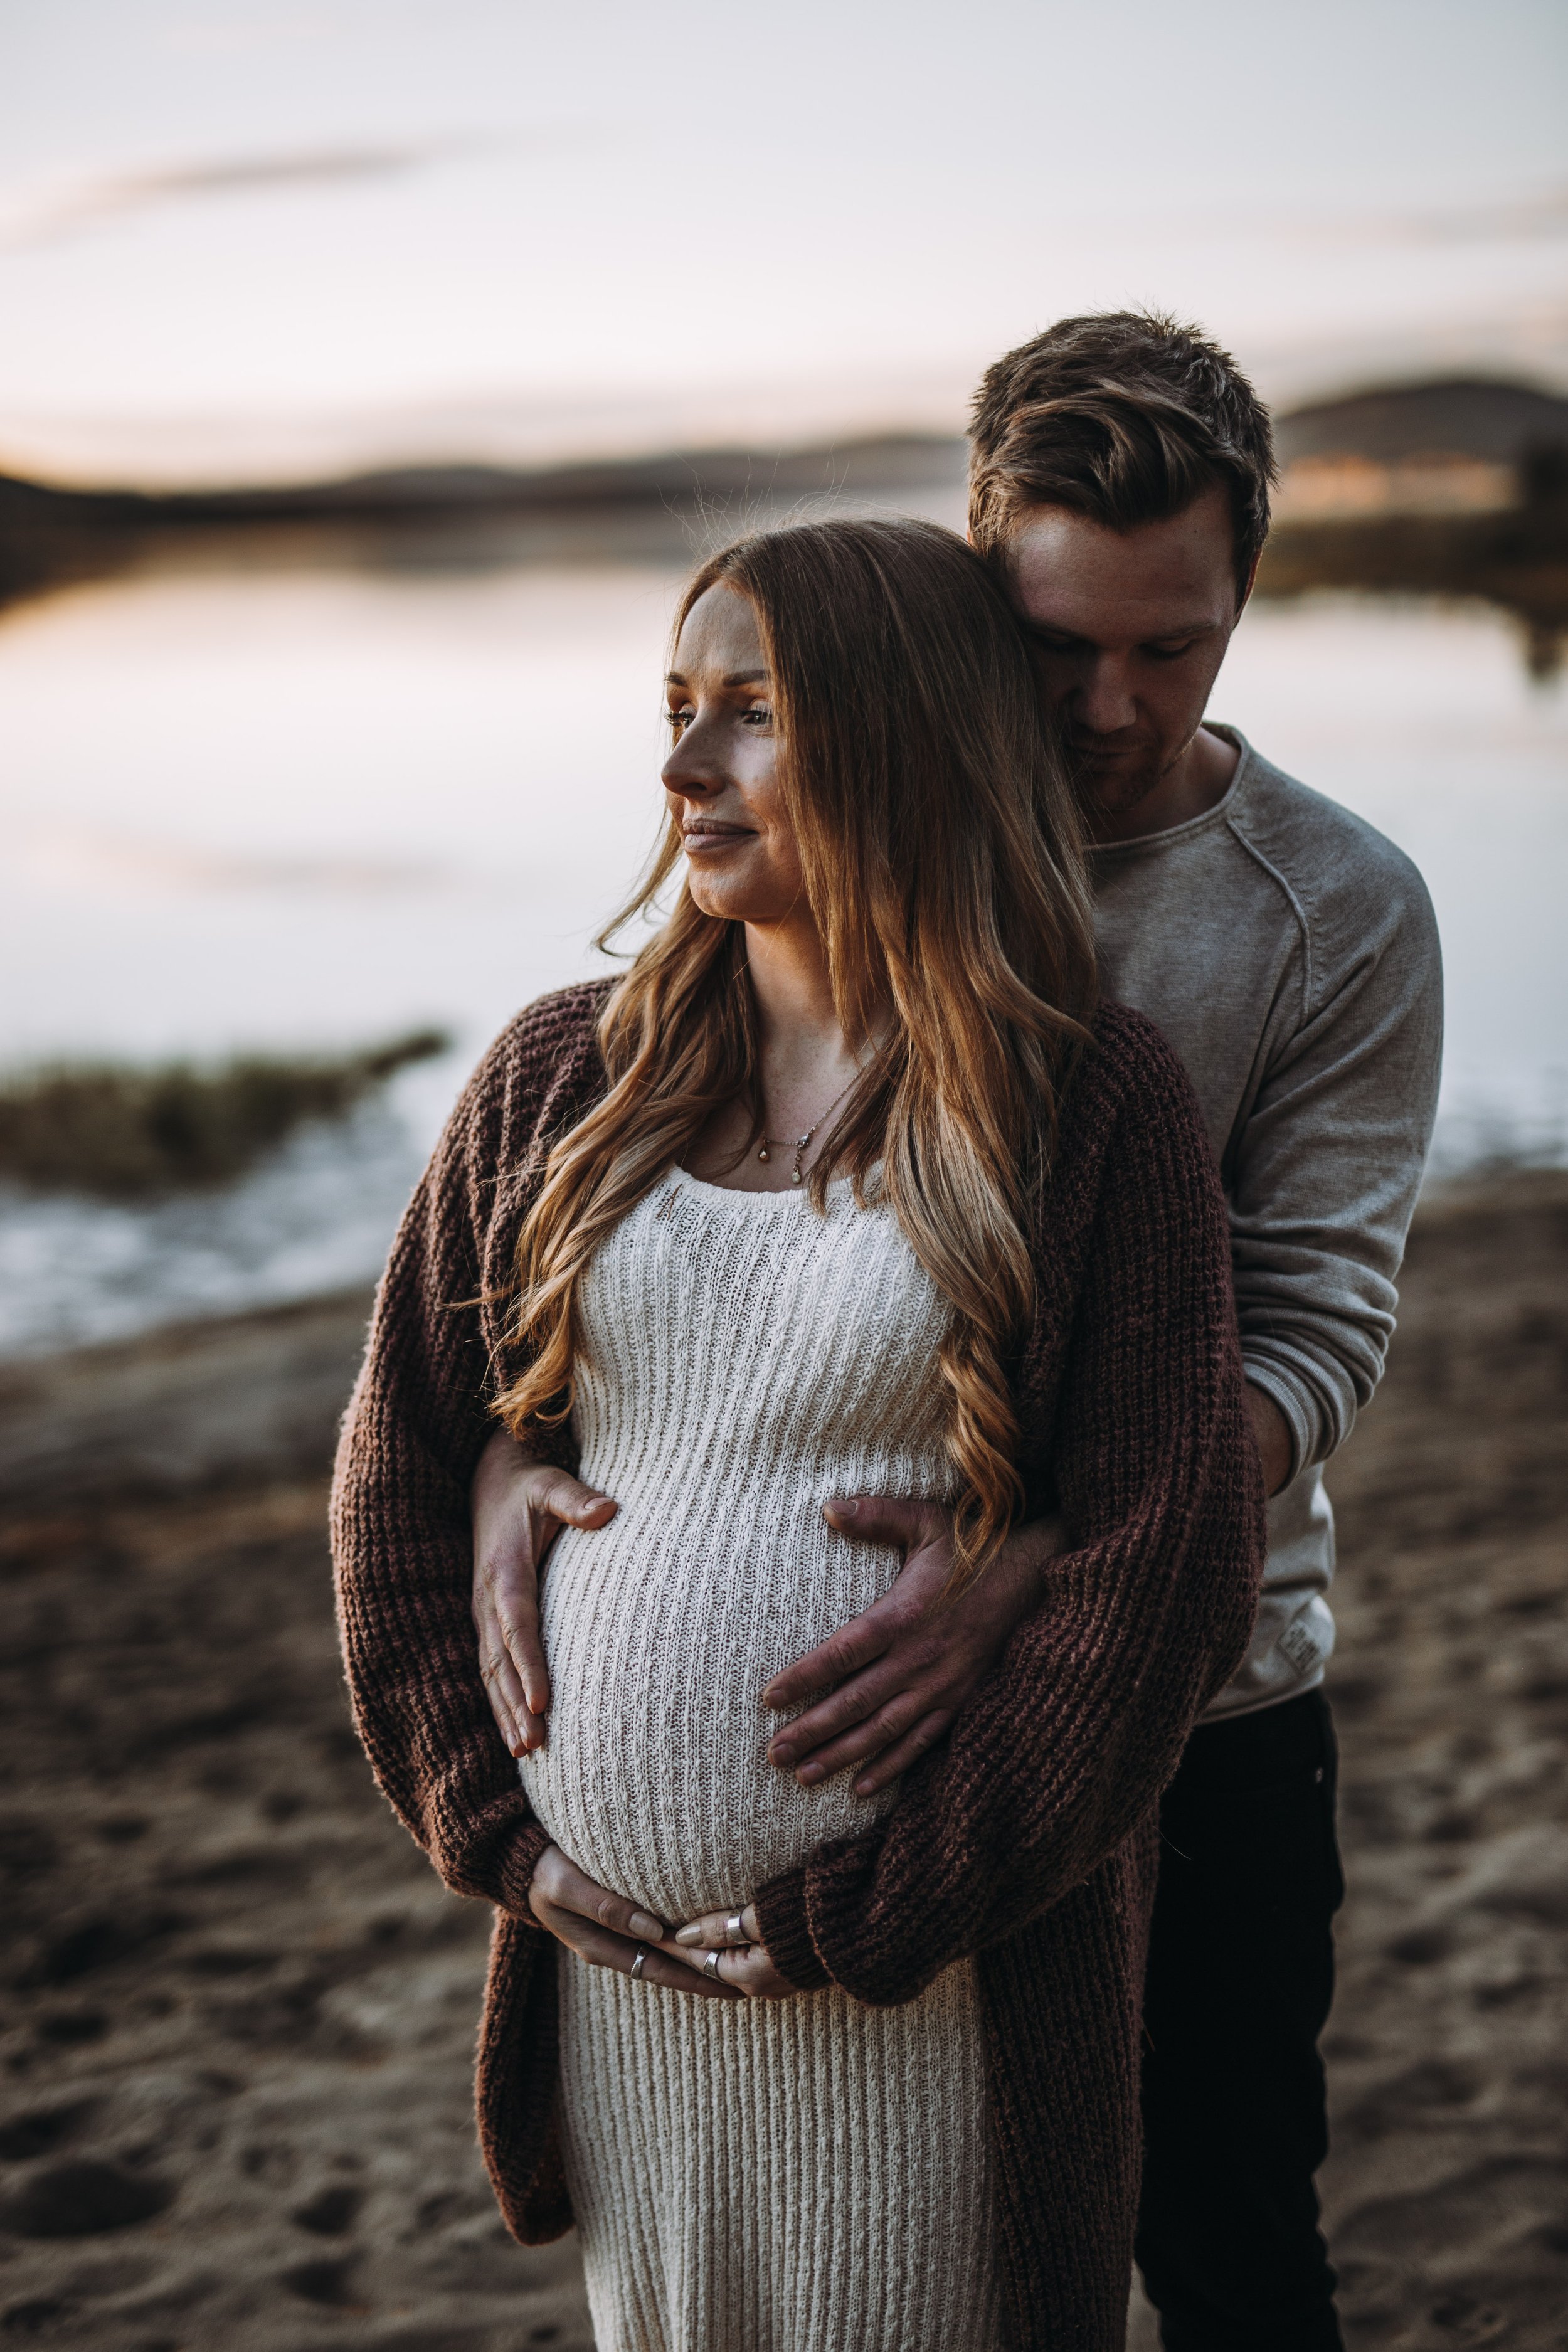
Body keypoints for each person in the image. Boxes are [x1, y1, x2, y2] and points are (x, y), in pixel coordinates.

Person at [470, 317, 1444, 2351]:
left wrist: (1062, 1557)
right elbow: (654, 1232)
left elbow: (1318, 1321)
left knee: (1231, 2241)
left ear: (1243, 596)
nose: (1107, 706)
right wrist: (509, 1444)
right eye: (1055, 643)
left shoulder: (1326, 906)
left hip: (1211, 1709)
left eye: (1171, 647)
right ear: (969, 579)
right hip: (842, 1802)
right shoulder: (830, 832)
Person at [333, 514, 1266, 2352]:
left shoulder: (1080, 1101)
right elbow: (400, 1467)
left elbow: (1164, 1563)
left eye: (749, 712)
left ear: (905, 731)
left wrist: (888, 1904)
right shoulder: (558, 1075)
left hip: (936, 2004)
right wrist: (500, 1837)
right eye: (678, 706)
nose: (683, 766)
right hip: (628, 2009)